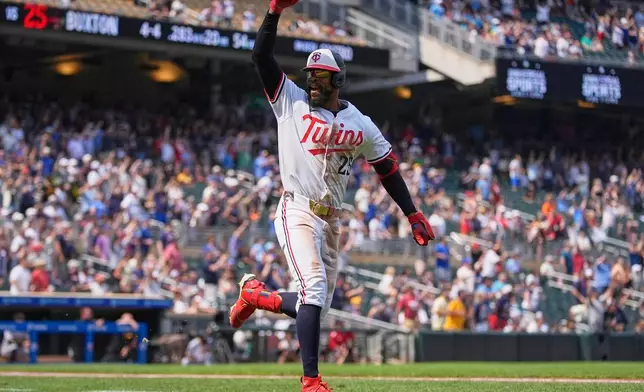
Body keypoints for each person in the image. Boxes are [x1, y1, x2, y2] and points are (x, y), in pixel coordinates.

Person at [227, 0, 435, 389]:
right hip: (297, 209)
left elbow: (386, 167)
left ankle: (257, 297)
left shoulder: (361, 123)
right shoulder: (288, 101)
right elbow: (260, 55)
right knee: (315, 290)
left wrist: (412, 213)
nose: (313, 81)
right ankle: (311, 382)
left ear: (339, 81)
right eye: (311, 74)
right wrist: (274, 11)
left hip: (332, 219)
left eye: (322, 76)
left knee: (316, 305)